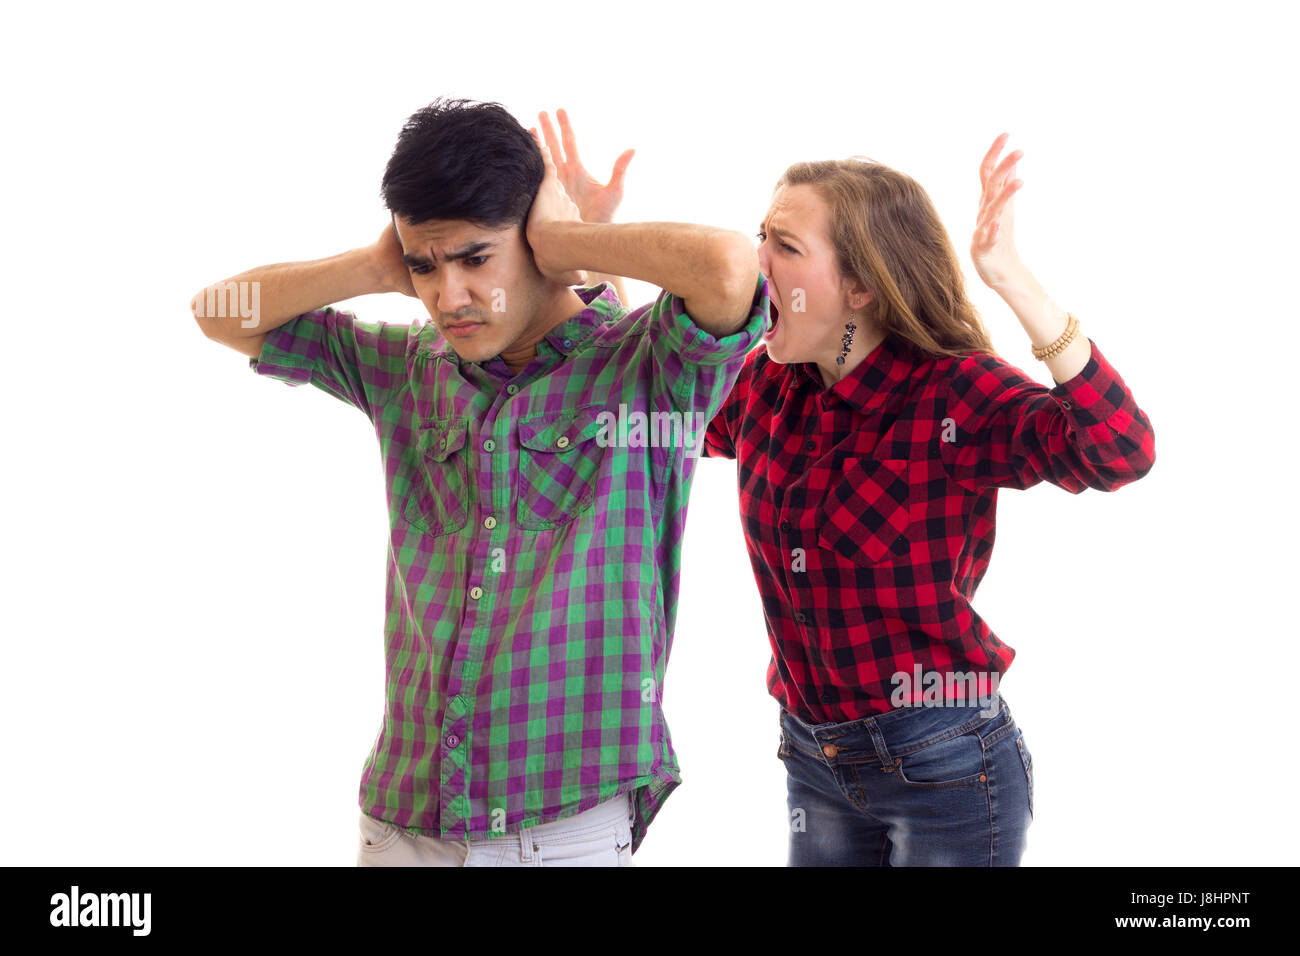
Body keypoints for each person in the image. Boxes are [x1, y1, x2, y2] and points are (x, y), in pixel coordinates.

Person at [190, 98, 768, 866]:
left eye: (475, 258)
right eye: (426, 266)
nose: (447, 296)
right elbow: (219, 313)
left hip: (561, 828)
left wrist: (570, 239)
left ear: (533, 239)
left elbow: (730, 269)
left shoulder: (646, 369)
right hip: (404, 825)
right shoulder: (404, 367)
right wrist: (373, 266)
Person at [701, 136, 1157, 865]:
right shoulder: (765, 387)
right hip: (812, 760)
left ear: (860, 286)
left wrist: (1012, 281)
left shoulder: (955, 393)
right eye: (760, 236)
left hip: (944, 762)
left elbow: (1118, 449)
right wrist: (590, 259)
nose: (755, 262)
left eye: (783, 245)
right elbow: (653, 405)